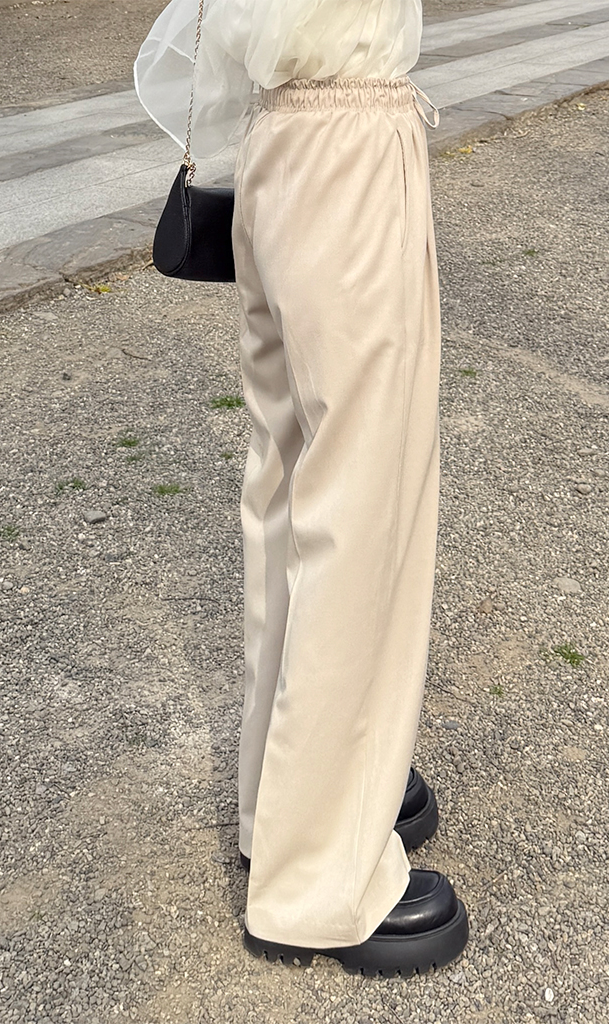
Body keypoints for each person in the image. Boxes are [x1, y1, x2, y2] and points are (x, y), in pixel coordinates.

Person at [135, 0, 469, 976]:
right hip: (349, 139)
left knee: (289, 493)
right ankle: (320, 871)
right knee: (362, 504)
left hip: (281, 136)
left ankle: (285, 806)